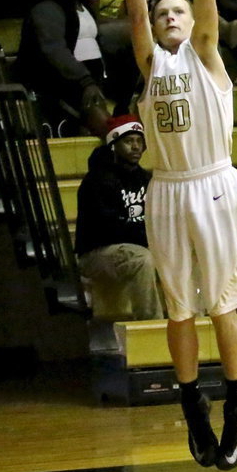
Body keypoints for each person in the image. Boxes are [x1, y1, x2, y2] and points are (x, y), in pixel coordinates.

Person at [91, 0, 237, 472]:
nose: (167, 16)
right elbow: (135, 11)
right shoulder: (150, 63)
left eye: (176, 10)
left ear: (191, 23)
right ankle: (192, 404)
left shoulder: (206, 54)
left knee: (220, 306)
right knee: (177, 311)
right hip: (166, 189)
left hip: (212, 183)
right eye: (164, 11)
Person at [13, 0, 109, 138]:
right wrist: (85, 81)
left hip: (90, 81)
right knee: (105, 127)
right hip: (65, 84)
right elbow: (55, 50)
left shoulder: (81, 4)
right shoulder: (48, 6)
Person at [75, 115, 164, 321]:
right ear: (113, 145)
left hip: (136, 245)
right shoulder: (97, 180)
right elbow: (109, 228)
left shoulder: (147, 179)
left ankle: (193, 319)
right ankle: (151, 325)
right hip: (97, 253)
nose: (136, 147)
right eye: (129, 141)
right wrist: (149, 238)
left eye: (139, 141)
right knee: (142, 259)